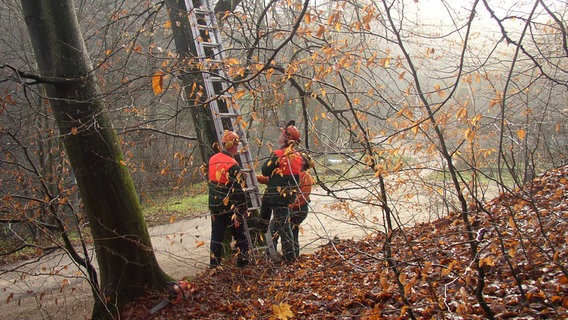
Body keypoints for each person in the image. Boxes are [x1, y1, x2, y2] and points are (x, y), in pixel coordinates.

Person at [257, 121, 303, 263]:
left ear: (285, 139)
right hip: (287, 196)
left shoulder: (278, 154)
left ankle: (290, 258)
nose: (279, 137)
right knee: (281, 224)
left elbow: (265, 170)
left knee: (283, 226)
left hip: (276, 197)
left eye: (282, 135)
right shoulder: (298, 157)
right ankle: (262, 224)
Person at [207, 130, 250, 268]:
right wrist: (242, 209)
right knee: (240, 236)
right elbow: (238, 191)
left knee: (216, 237)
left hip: (215, 206)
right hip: (230, 208)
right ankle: (243, 263)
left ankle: (214, 265)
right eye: (236, 145)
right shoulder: (232, 164)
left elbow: (221, 179)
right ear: (232, 145)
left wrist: (238, 174)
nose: (237, 148)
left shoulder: (213, 159)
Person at [288, 153, 315, 257]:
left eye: (298, 157)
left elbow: (301, 199)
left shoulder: (305, 176)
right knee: (292, 232)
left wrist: (288, 206)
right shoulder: (294, 173)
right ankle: (293, 256)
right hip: (293, 208)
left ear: (303, 162)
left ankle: (292, 256)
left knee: (290, 232)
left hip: (298, 210)